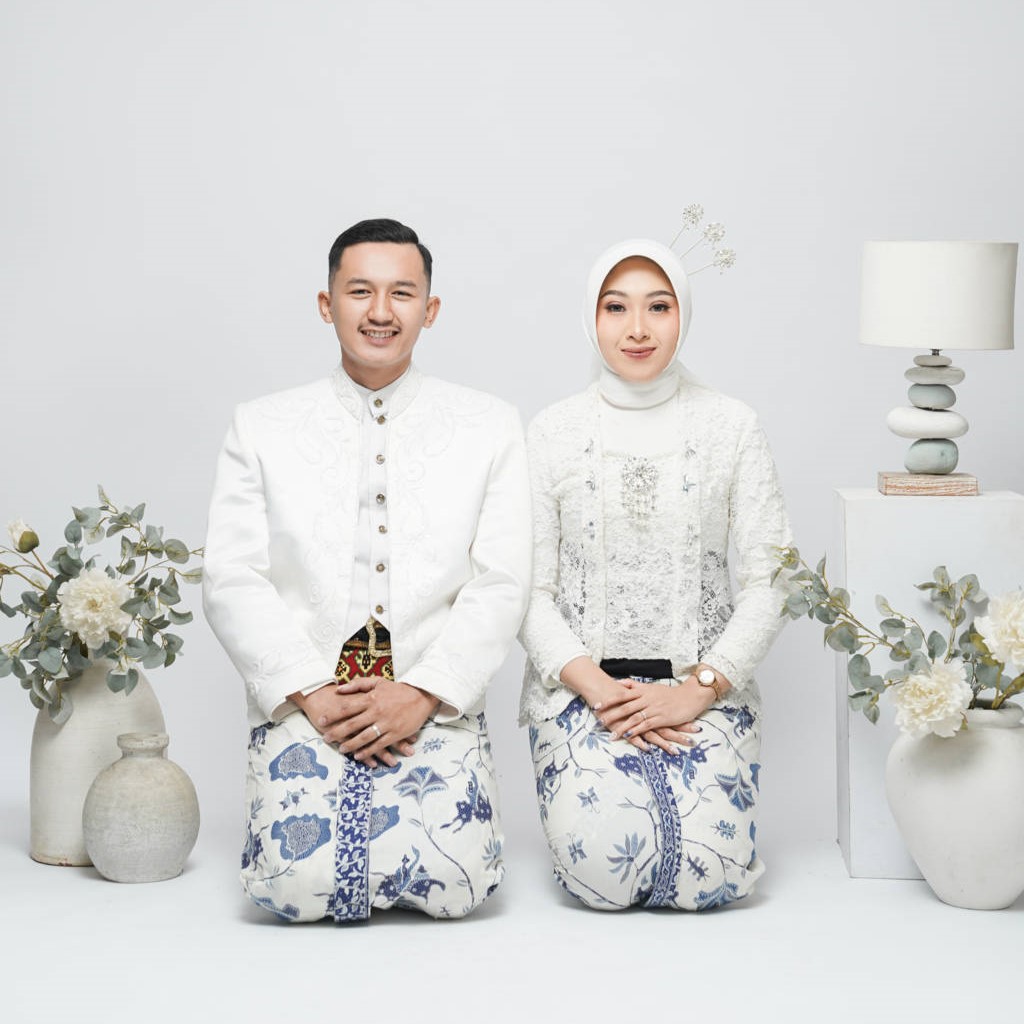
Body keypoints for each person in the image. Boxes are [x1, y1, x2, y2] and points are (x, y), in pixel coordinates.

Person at [203, 218, 531, 922]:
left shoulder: (489, 424)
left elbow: (502, 580)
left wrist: (423, 692)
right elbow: (230, 576)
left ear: (429, 310)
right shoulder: (261, 425)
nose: (381, 311)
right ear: (327, 304)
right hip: (307, 697)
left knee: (459, 884)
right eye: (360, 291)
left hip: (431, 698)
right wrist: (314, 692)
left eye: (401, 293)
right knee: (291, 886)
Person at [519, 236, 792, 910]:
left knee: (711, 875)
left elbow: (771, 580)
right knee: (603, 873)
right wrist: (601, 691)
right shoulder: (553, 432)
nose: (637, 328)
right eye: (616, 307)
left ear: (683, 315)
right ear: (592, 316)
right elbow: (528, 591)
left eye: (658, 307)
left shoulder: (732, 427)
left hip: (703, 692)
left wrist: (698, 690)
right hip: (581, 692)